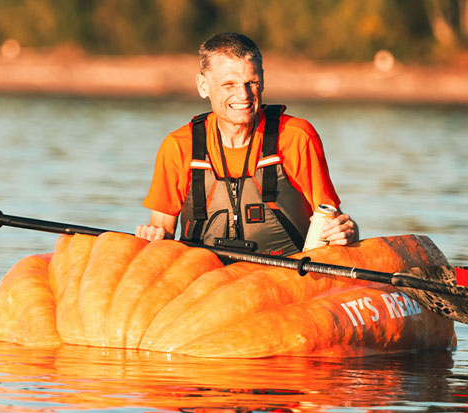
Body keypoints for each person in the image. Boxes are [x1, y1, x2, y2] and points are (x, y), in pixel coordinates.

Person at [135, 32, 358, 256]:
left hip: (287, 279)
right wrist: (152, 236)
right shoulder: (178, 145)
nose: (243, 95)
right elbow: (162, 232)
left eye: (251, 82)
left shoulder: (297, 136)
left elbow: (332, 222)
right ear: (203, 86)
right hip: (204, 279)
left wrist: (348, 232)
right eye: (229, 85)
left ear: (262, 80)